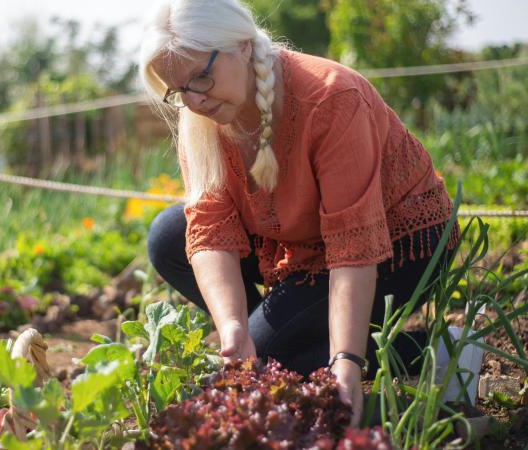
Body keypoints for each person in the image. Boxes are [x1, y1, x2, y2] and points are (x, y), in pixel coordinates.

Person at [139, 0, 460, 426]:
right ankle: (272, 343)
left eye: (201, 76)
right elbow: (210, 227)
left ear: (242, 47)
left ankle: (442, 350)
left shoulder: (331, 97)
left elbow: (354, 247)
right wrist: (233, 327)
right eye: (179, 90)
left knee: (275, 353)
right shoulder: (201, 117)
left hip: (399, 241)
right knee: (168, 237)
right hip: (300, 239)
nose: (194, 100)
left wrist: (346, 362)